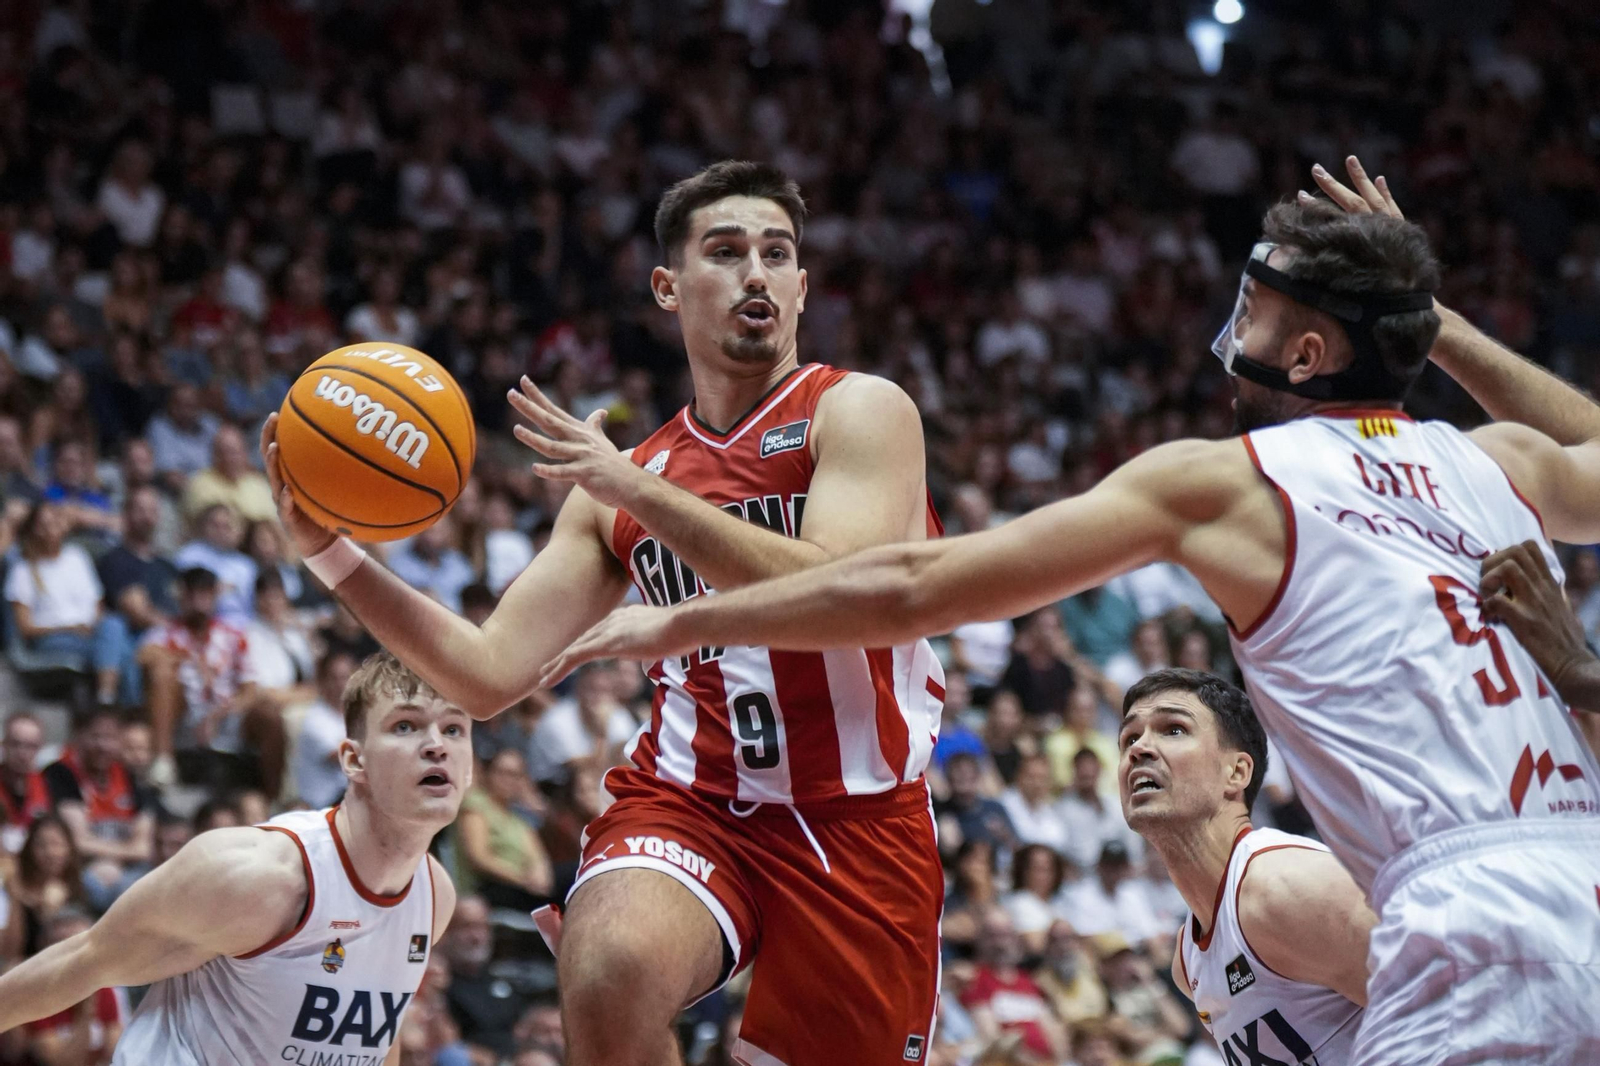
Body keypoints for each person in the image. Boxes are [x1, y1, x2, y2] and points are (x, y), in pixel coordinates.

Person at [553, 158, 1600, 1063]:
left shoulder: (1227, 481)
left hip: (1468, 928)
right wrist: (1436, 328)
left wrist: (688, 620)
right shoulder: (1495, 460)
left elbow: (910, 587)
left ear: (1309, 355)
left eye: (1262, 308)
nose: (1235, 325)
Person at [262, 160, 946, 1066]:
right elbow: (487, 674)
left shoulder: (857, 412)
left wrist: (631, 484)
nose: (756, 274)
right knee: (608, 969)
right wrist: (331, 553)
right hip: (691, 800)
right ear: (669, 287)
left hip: (862, 819)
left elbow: (835, 594)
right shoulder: (617, 486)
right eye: (727, 251)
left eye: (777, 254)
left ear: (802, 285)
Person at [0, 651, 465, 1065]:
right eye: (405, 725)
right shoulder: (257, 877)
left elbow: (379, 1042)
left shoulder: (433, 896)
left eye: (453, 728)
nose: (436, 744)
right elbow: (84, 960)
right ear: (353, 760)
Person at [1119, 668, 1369, 1062]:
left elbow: (1448, 1015)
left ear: (1236, 773)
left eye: (1174, 729)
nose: (1138, 749)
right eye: (1130, 737)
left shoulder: (1286, 887)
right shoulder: (1188, 963)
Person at [41, 708, 156, 913]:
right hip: (81, 871)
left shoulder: (130, 777)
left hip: (126, 873)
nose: (103, 746)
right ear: (79, 735)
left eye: (111, 738)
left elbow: (143, 848)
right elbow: (79, 843)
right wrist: (124, 851)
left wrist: (111, 860)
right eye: (96, 736)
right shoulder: (62, 774)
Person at [456, 748, 554, 911]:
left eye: (516, 775)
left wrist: (542, 876)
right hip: (491, 886)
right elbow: (479, 858)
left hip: (525, 888)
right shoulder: (476, 805)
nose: (509, 780)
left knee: (575, 877)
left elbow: (538, 858)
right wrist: (522, 880)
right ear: (489, 774)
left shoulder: (518, 818)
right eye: (503, 773)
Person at [1, 712, 50, 855]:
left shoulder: (47, 784)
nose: (22, 753)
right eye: (16, 744)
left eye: (31, 746)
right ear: (4, 744)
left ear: (40, 748)